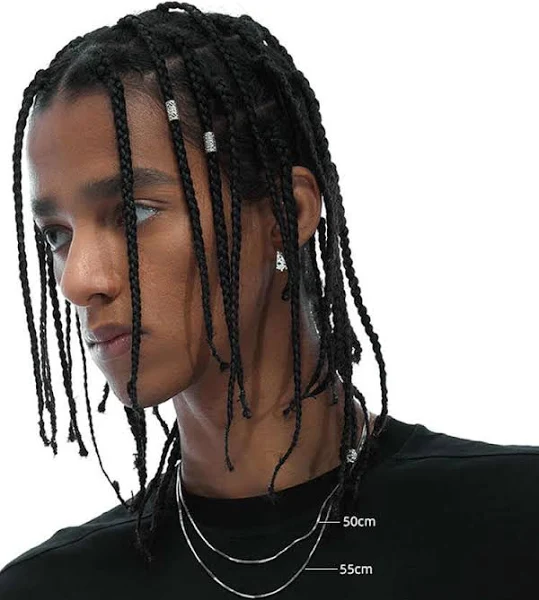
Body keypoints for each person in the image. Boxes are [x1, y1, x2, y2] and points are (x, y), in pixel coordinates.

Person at [0, 3, 537, 598]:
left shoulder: (514, 522)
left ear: (287, 211)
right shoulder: (47, 589)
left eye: (134, 213)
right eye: (56, 235)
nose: (77, 280)